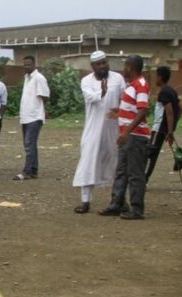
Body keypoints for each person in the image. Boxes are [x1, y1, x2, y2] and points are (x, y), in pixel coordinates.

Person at [98, 54, 151, 220]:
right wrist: (119, 112)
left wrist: (127, 131)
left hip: (135, 136)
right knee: (121, 171)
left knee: (135, 173)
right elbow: (135, 109)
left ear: (131, 67)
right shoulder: (132, 85)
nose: (123, 69)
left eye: (125, 65)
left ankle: (136, 209)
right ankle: (117, 204)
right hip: (129, 136)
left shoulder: (140, 85)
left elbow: (143, 110)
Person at [73, 51, 125, 213]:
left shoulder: (117, 78)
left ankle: (118, 200)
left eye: (104, 62)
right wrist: (102, 92)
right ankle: (85, 201)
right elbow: (90, 98)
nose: (103, 66)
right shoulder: (86, 81)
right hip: (93, 130)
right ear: (92, 66)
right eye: (99, 64)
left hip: (113, 129)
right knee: (88, 161)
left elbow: (124, 100)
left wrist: (120, 112)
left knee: (116, 163)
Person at [14, 55, 49, 180]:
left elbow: (45, 96)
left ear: (34, 65)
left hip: (35, 117)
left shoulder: (39, 78)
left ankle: (27, 171)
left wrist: (41, 111)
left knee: (29, 144)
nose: (26, 66)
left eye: (28, 64)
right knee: (30, 144)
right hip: (26, 116)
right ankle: (34, 170)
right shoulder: (27, 77)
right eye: (24, 64)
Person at [145, 66, 181, 183]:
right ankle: (144, 177)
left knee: (150, 153)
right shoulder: (172, 90)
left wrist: (169, 131)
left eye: (156, 76)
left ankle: (143, 178)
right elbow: (180, 110)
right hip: (164, 129)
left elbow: (169, 111)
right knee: (153, 154)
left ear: (160, 77)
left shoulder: (163, 92)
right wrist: (172, 126)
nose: (155, 78)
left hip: (159, 128)